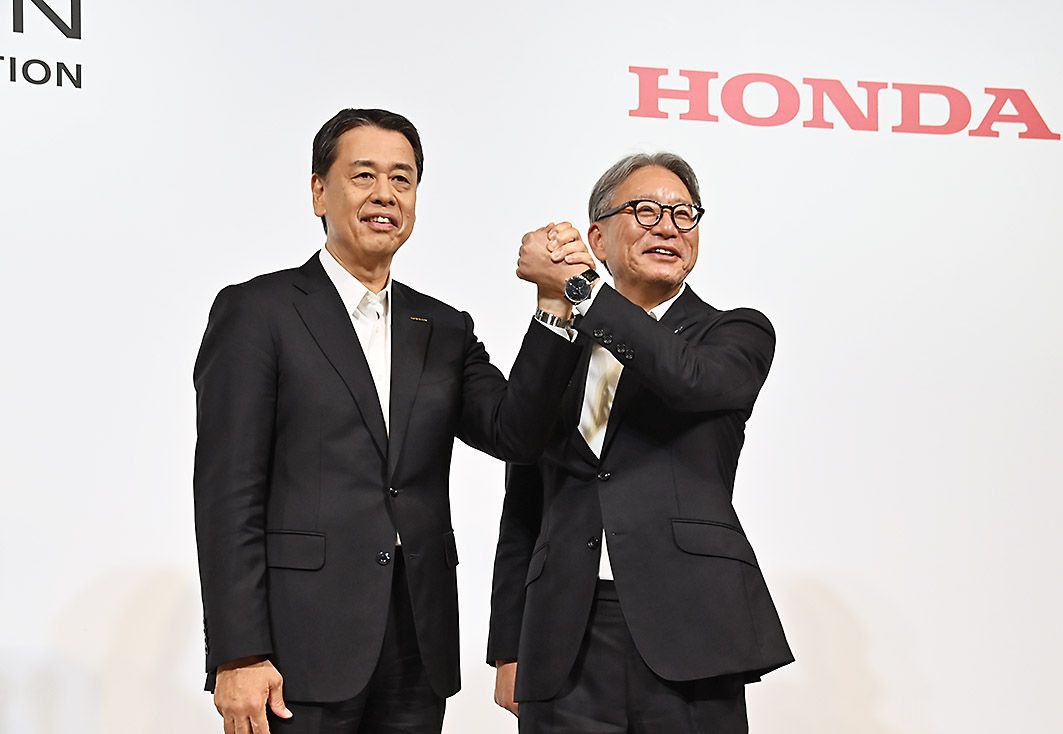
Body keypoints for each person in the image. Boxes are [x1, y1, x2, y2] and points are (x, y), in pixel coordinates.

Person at [193, 108, 592, 734]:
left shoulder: (443, 327)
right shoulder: (257, 311)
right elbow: (227, 494)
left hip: (416, 644)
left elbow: (515, 433)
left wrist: (552, 306)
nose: (385, 194)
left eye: (402, 179)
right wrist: (238, 652)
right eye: (364, 175)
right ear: (319, 192)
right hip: (296, 649)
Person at [487, 152, 794, 733]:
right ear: (598, 238)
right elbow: (523, 494)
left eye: (684, 214)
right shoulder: (562, 347)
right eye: (646, 211)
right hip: (562, 637)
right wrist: (508, 644)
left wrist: (580, 288)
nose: (669, 227)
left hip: (692, 631)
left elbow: (687, 379)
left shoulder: (734, 332)